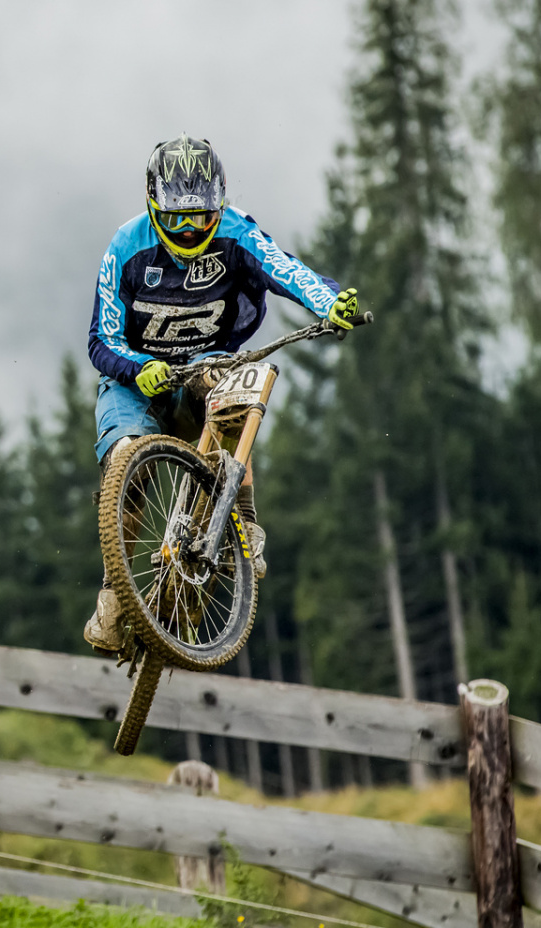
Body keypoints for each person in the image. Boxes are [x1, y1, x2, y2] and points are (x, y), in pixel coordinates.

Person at [81, 135, 361, 654]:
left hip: (207, 363)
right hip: (134, 378)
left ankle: (244, 521)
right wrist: (136, 368)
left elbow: (288, 272)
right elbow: (100, 340)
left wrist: (329, 302)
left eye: (201, 217)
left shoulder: (237, 232)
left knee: (233, 391)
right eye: (177, 218)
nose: (190, 229)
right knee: (126, 460)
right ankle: (115, 593)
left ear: (220, 203)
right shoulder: (125, 248)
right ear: (152, 204)